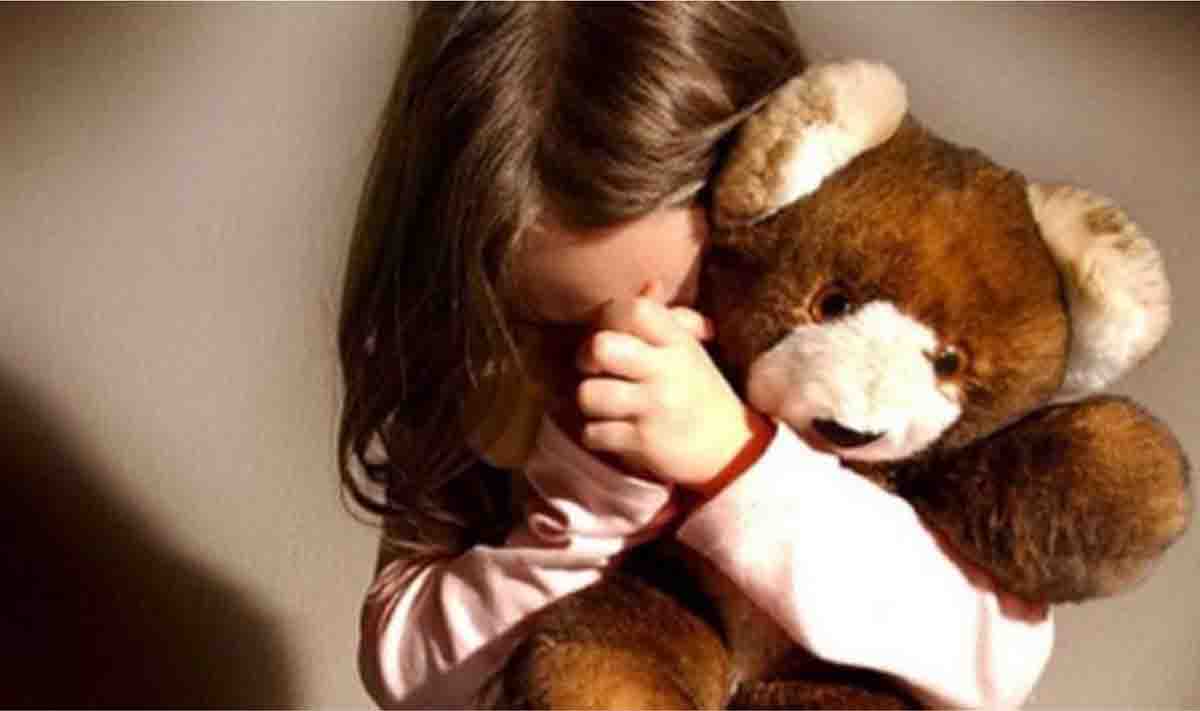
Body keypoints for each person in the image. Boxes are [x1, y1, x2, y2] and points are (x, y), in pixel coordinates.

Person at [337, 3, 1054, 709]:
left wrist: (738, 462)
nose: (624, 358)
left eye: (687, 310)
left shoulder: (863, 370)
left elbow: (998, 665)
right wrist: (589, 510)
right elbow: (406, 677)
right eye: (558, 329)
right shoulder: (490, 376)